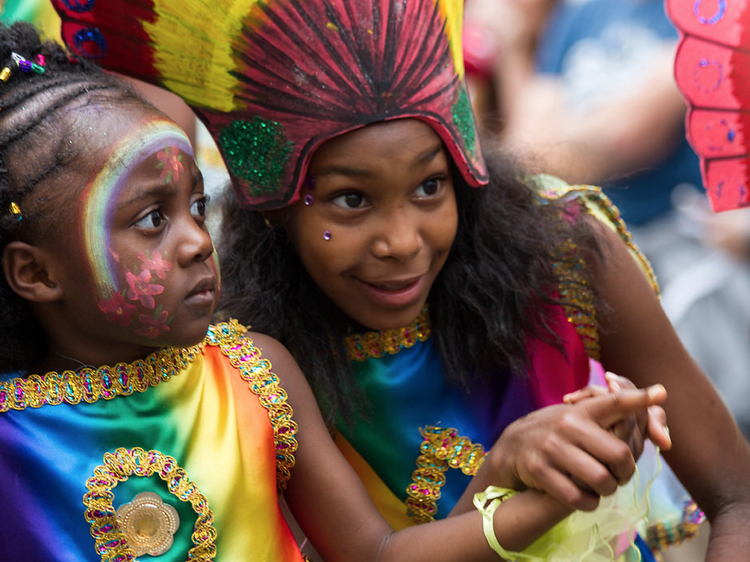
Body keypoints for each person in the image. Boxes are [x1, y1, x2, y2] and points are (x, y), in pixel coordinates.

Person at [48, 0, 750, 560]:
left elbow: (737, 500)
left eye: (430, 188)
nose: (402, 243)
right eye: (351, 200)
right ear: (275, 212)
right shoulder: (246, 369)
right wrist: (501, 476)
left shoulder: (565, 256)